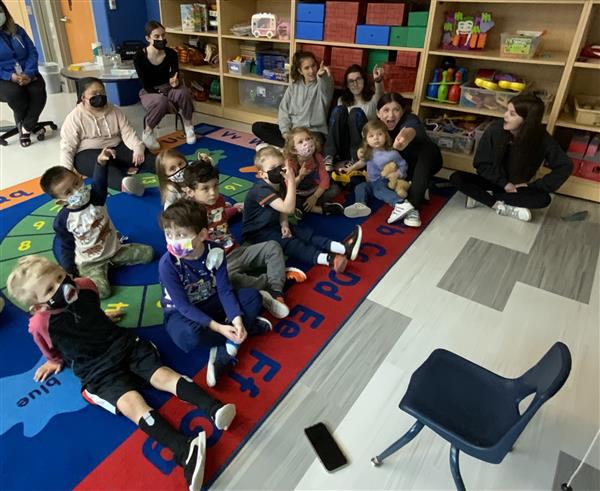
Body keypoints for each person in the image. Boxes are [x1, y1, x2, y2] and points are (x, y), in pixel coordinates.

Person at [7, 255, 237, 491]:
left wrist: (100, 320)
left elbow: (91, 311)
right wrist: (53, 361)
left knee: (160, 374)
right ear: (38, 307)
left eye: (59, 276)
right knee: (131, 402)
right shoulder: (40, 323)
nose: (62, 285)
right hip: (96, 367)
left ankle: (214, 408)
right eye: (50, 289)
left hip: (120, 345)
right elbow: (47, 344)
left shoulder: (84, 285)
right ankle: (186, 446)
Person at [159, 199, 272, 387]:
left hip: (211, 300)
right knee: (188, 336)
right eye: (169, 234)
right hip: (181, 313)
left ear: (202, 234)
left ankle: (228, 344)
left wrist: (235, 318)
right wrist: (220, 328)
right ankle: (240, 332)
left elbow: (224, 289)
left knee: (253, 297)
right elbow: (183, 307)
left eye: (181, 235)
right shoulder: (167, 264)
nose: (173, 241)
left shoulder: (215, 252)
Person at [183, 160, 305, 319]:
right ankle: (274, 281)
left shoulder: (218, 200)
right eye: (205, 189)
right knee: (229, 280)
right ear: (190, 192)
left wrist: (235, 209)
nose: (213, 192)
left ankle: (275, 290)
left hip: (236, 250)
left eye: (215, 186)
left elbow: (222, 215)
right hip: (219, 264)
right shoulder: (188, 215)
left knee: (273, 247)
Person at [40, 158, 154, 299]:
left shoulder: (96, 198)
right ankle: (97, 272)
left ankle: (113, 262)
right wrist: (70, 271)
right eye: (68, 192)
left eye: (76, 183)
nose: (76, 191)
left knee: (149, 254)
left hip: (115, 249)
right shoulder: (63, 220)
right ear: (61, 201)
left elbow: (100, 182)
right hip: (91, 263)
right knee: (102, 292)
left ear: (80, 177)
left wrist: (100, 163)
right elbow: (66, 245)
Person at [450, 94, 572, 221]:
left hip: (517, 188)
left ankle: (483, 199)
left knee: (544, 199)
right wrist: (504, 183)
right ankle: (497, 205)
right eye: (507, 110)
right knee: (457, 178)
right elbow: (481, 164)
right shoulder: (495, 129)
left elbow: (565, 166)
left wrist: (533, 186)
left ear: (527, 120)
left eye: (512, 114)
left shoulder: (542, 138)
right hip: (493, 181)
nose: (505, 116)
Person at [242, 146, 362, 274]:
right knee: (290, 243)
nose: (279, 171)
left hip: (274, 223)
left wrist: (284, 223)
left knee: (304, 233)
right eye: (272, 169)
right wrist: (291, 180)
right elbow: (288, 208)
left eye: (281, 166)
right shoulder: (261, 190)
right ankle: (328, 259)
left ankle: (343, 248)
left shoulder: (280, 183)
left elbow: (283, 208)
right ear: (261, 174)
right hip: (258, 232)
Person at [345, 93, 442, 228]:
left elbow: (410, 129)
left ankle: (411, 207)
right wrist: (360, 153)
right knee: (363, 185)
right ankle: (418, 189)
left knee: (428, 149)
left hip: (425, 162)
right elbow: (366, 150)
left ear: (403, 111)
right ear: (378, 113)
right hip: (393, 175)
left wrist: (403, 137)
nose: (391, 115)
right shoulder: (378, 130)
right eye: (386, 110)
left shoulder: (410, 119)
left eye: (396, 110)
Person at [60, 77, 154, 194]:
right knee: (104, 169)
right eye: (94, 94)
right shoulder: (74, 118)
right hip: (87, 153)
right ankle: (125, 184)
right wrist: (66, 174)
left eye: (102, 92)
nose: (99, 96)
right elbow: (67, 147)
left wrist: (138, 148)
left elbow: (128, 133)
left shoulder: (115, 110)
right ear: (83, 98)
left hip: (115, 148)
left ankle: (170, 169)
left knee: (146, 156)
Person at [134, 20, 196, 149]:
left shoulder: (171, 53)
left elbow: (174, 73)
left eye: (163, 35)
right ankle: (148, 132)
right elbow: (145, 83)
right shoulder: (139, 56)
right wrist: (165, 98)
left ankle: (188, 125)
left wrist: (175, 80)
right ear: (148, 38)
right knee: (161, 101)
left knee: (184, 92)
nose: (161, 39)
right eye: (156, 36)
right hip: (149, 91)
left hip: (168, 87)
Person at [252, 51, 333, 148]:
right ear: (300, 71)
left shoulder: (322, 84)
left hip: (313, 133)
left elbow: (327, 85)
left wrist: (321, 76)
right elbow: (283, 111)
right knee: (258, 127)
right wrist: (285, 132)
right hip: (293, 131)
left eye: (313, 66)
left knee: (312, 144)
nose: (311, 71)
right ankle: (291, 147)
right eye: (306, 68)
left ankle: (288, 148)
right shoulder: (293, 87)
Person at [343, 120, 413, 224]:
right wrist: (350, 169)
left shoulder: (392, 153)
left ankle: (400, 203)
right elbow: (362, 162)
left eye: (379, 134)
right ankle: (361, 205)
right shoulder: (370, 152)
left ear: (386, 136)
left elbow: (403, 165)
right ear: (366, 140)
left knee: (378, 189)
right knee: (360, 187)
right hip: (372, 181)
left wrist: (398, 174)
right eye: (371, 136)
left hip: (385, 180)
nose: (376, 138)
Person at [0, 0, 47, 147]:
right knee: (16, 94)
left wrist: (29, 73)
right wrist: (10, 76)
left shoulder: (17, 30)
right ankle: (27, 127)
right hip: (3, 77)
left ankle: (26, 127)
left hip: (27, 72)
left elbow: (32, 51)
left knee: (38, 90)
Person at [323, 64, 384, 170]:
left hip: (362, 146)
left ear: (364, 81)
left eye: (358, 79)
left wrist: (378, 80)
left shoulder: (373, 100)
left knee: (355, 112)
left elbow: (380, 92)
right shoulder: (342, 100)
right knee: (339, 110)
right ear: (347, 84)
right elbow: (338, 126)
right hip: (344, 144)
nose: (355, 84)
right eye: (351, 81)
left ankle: (355, 159)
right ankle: (329, 155)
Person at [283, 126, 342, 216]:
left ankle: (303, 208)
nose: (306, 143)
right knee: (283, 195)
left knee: (335, 189)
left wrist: (314, 197)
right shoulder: (290, 162)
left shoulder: (317, 157)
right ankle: (320, 209)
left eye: (308, 139)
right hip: (297, 193)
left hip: (313, 191)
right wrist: (300, 177)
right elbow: (289, 186)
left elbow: (325, 179)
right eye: (300, 142)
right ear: (294, 150)